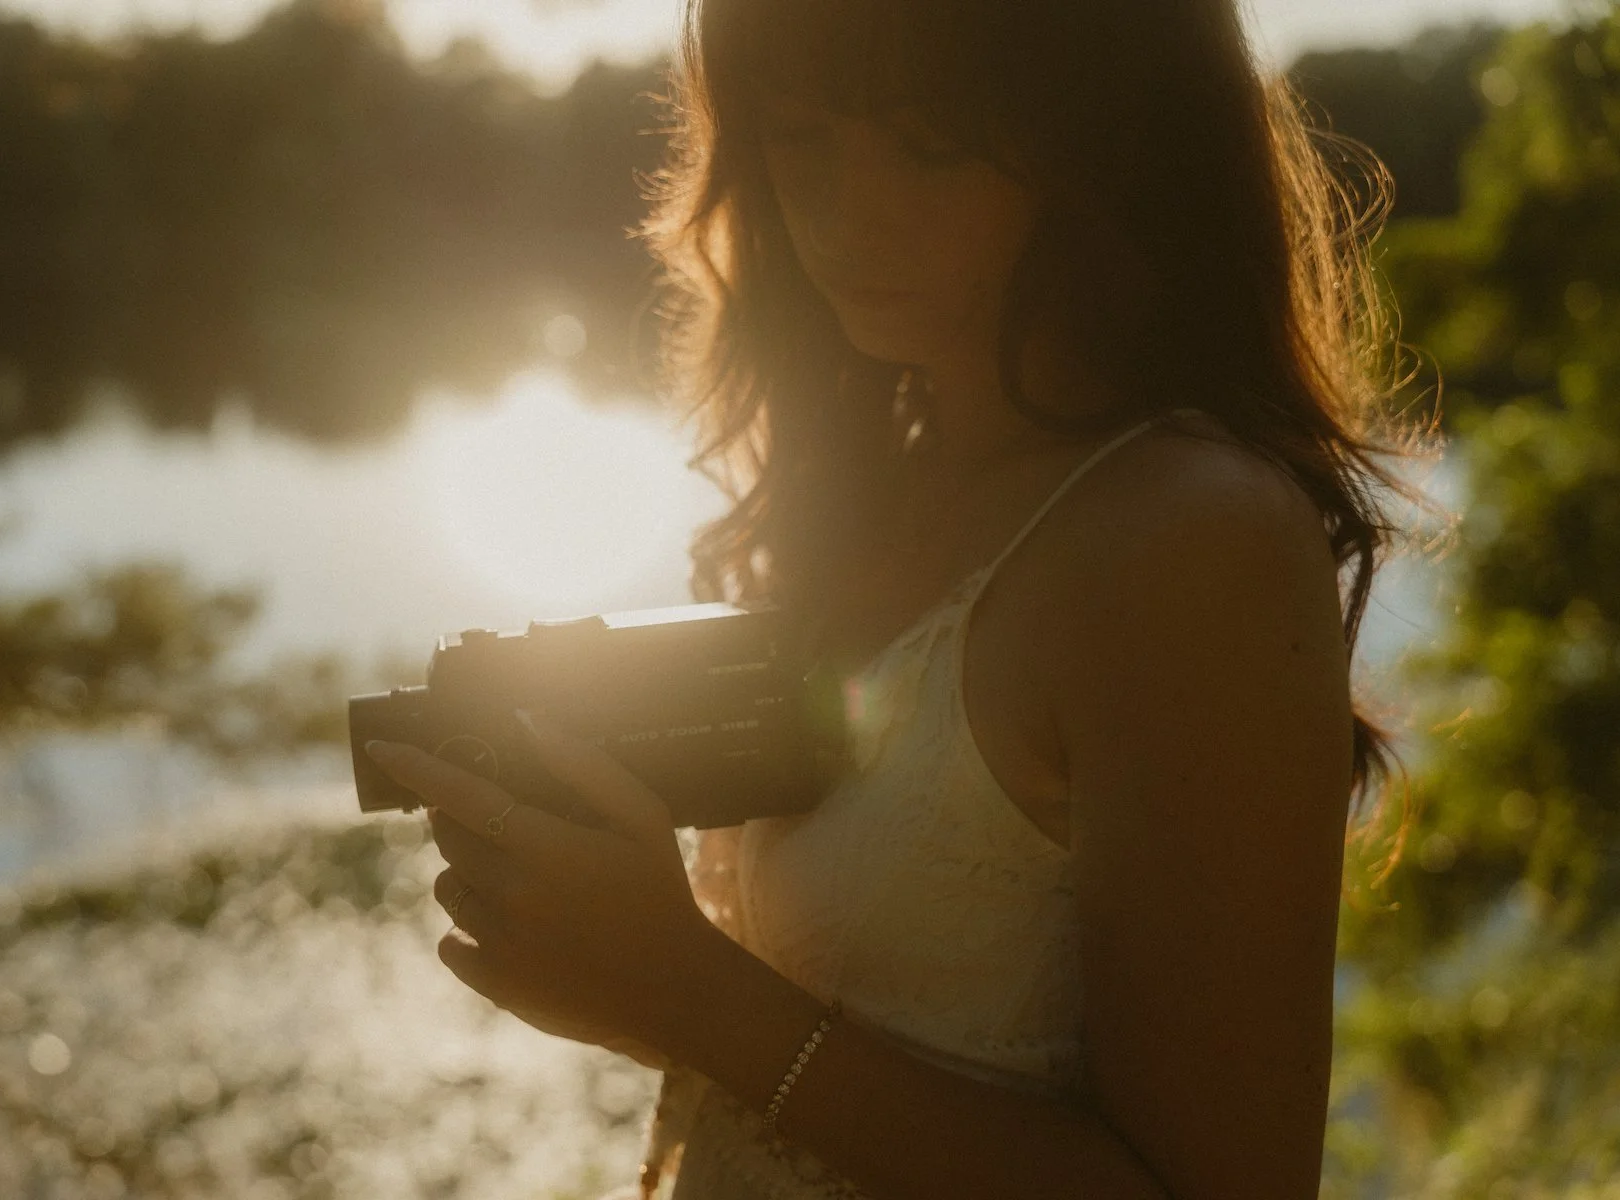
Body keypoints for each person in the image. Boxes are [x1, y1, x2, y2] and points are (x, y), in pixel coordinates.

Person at [365, 0, 1447, 1195]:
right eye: (799, 137)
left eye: (931, 144)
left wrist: (688, 990)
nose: (846, 219)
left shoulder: (1186, 537)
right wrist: (615, 967)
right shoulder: (881, 482)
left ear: (1107, 137)